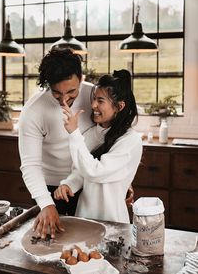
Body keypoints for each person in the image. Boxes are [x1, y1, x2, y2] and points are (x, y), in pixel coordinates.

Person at [19, 49, 134, 239]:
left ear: (81, 78)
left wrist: (121, 180)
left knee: (89, 244)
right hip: (50, 190)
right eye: (57, 93)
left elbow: (113, 135)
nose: (65, 99)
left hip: (88, 184)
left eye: (71, 91)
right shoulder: (33, 112)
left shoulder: (94, 96)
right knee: (50, 246)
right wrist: (46, 204)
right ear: (48, 85)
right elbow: (30, 165)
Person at [54, 69, 142, 223]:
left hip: (113, 221)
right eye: (94, 99)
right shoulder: (90, 134)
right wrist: (69, 185)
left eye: (100, 101)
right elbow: (80, 171)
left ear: (119, 106)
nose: (93, 105)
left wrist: (74, 133)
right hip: (83, 217)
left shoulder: (131, 141)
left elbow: (95, 172)